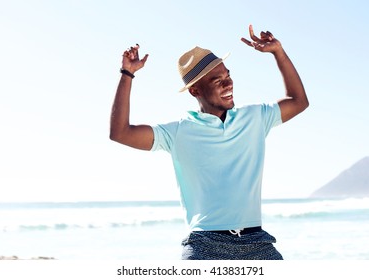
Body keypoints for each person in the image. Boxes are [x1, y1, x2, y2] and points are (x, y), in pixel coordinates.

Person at [110, 24, 309, 260]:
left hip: (257, 242)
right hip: (205, 244)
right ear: (195, 91)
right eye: (218, 80)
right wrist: (127, 74)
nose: (228, 84)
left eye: (228, 76)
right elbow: (120, 132)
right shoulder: (178, 132)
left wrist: (278, 52)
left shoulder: (255, 118)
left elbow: (298, 101)